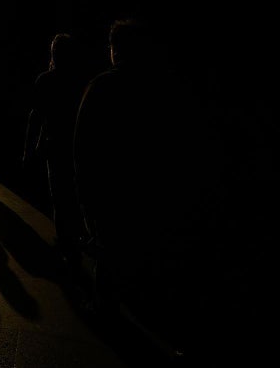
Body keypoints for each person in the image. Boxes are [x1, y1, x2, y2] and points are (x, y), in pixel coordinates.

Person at [73, 18, 190, 328]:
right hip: (151, 190)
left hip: (111, 193)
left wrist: (85, 198)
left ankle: (108, 317)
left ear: (115, 50)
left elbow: (83, 147)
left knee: (108, 260)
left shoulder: (101, 86)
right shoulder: (162, 86)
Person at [22, 33, 90, 273]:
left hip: (55, 146)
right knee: (83, 196)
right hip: (81, 146)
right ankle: (84, 237)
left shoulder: (46, 80)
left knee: (60, 198)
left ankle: (67, 246)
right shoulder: (83, 79)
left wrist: (29, 148)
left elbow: (35, 117)